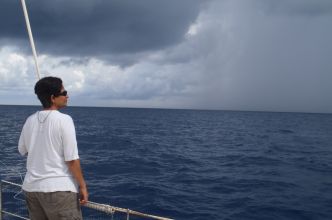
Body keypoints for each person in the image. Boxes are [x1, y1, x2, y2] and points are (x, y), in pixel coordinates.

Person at [18, 76, 88, 220]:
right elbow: (72, 159)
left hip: (32, 190)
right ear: (52, 97)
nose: (67, 96)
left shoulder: (30, 120)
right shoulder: (65, 120)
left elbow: (22, 150)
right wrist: (82, 187)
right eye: (64, 92)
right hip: (59, 192)